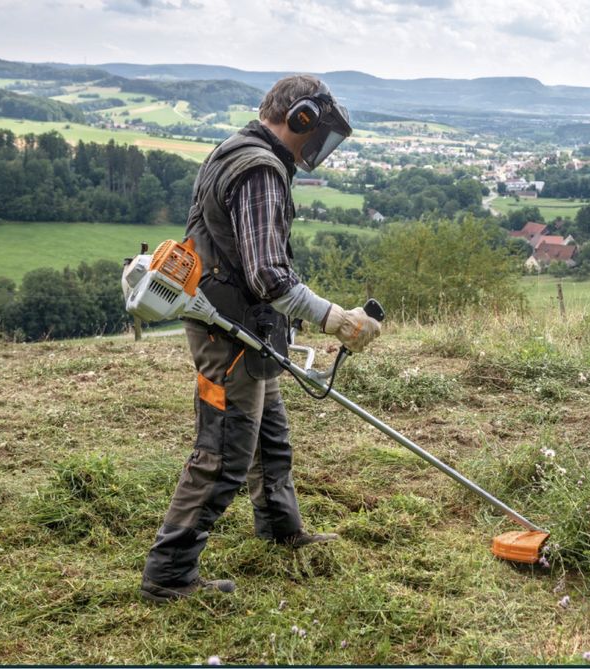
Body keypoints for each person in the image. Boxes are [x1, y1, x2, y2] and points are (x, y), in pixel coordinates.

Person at [140, 75, 381, 603]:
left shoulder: (238, 149)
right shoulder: (260, 170)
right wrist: (337, 319)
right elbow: (269, 277)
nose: (320, 145)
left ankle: (279, 527)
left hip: (245, 327)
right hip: (228, 332)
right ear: (302, 119)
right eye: (319, 131)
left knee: (270, 437)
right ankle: (169, 574)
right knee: (223, 452)